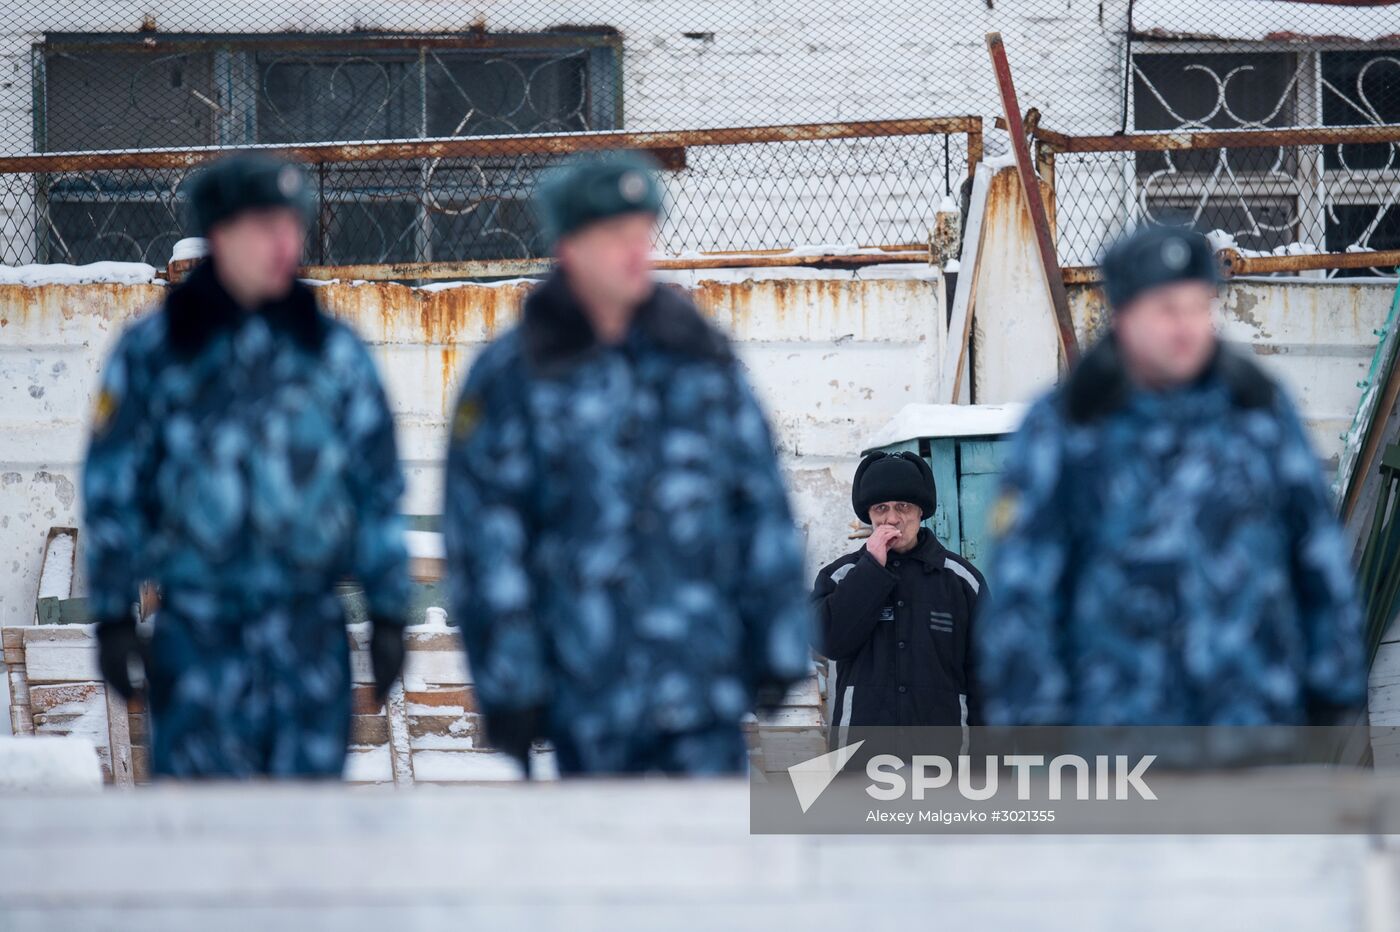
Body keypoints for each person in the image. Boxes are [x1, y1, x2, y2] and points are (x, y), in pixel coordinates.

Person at [442, 151, 812, 775]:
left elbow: (760, 503)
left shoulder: (701, 360)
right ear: (568, 246)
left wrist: (779, 642)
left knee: (713, 841)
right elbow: (483, 537)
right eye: (616, 235)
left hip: (703, 692)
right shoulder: (512, 376)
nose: (638, 251)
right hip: (585, 700)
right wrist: (508, 680)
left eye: (644, 232)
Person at [82, 154, 410, 777]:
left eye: (293, 225)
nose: (285, 244)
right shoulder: (155, 352)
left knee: (306, 829)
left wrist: (390, 611)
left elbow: (376, 488)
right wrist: (113, 615)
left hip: (308, 645)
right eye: (265, 226)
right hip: (197, 647)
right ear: (221, 232)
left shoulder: (332, 353)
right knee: (202, 829)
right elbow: (112, 488)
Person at [976, 224, 1365, 726]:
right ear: (1121, 314)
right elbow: (1023, 588)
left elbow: (1316, 549)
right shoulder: (1066, 426)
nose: (1185, 328)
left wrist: (1334, 688)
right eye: (1166, 310)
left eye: (1198, 307)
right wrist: (1034, 723)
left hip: (1253, 724)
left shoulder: (1258, 411)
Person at [812, 452, 986, 747]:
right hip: (860, 756)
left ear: (921, 511)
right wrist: (871, 569)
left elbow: (988, 677)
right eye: (881, 508)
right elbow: (829, 642)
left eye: (903, 506)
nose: (892, 519)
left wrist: (988, 761)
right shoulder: (841, 576)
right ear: (869, 515)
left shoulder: (962, 581)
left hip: (944, 758)